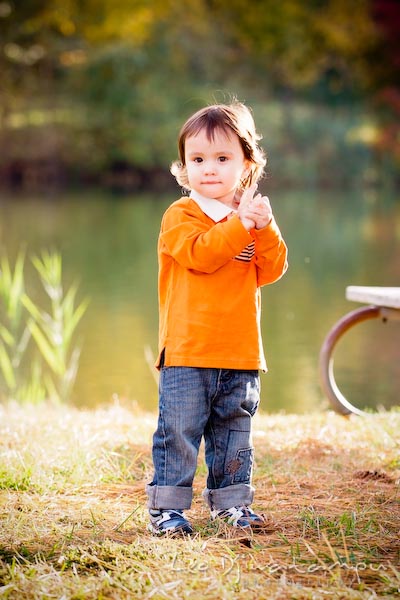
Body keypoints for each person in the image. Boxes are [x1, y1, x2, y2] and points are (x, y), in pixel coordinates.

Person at [146, 101, 288, 535]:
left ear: (247, 165)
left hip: (241, 351)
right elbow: (201, 255)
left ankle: (231, 504)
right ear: (185, 167)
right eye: (198, 159)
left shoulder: (249, 218)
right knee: (179, 433)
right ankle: (167, 509)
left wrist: (263, 228)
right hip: (189, 349)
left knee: (234, 434)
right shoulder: (180, 216)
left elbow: (272, 269)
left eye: (223, 159)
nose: (209, 169)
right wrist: (241, 225)